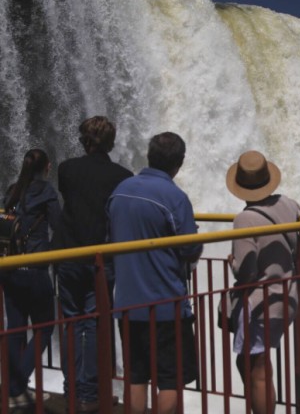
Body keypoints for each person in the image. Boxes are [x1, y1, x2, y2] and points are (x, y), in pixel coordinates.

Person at [107, 132, 201, 414]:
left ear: (149, 156)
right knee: (170, 380)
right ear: (179, 163)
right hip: (165, 306)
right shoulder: (174, 197)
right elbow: (190, 249)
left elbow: (109, 238)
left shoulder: (120, 190)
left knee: (136, 377)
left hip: (126, 304)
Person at [53, 115, 133, 413]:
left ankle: (70, 389)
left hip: (66, 255)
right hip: (100, 257)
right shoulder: (123, 176)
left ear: (85, 140)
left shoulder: (66, 170)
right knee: (94, 322)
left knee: (71, 322)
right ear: (110, 142)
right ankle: (90, 392)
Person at [224, 150, 300, 414]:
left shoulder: (245, 219)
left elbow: (245, 272)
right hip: (287, 297)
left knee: (255, 368)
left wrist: (231, 262)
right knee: (255, 364)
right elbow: (297, 211)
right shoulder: (289, 204)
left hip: (261, 303)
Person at [2, 149, 61, 408]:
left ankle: (15, 388)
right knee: (44, 328)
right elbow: (59, 225)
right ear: (46, 167)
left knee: (16, 329)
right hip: (36, 270)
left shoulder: (13, 191)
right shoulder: (47, 192)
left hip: (11, 269)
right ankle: (16, 386)